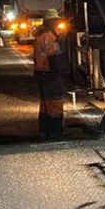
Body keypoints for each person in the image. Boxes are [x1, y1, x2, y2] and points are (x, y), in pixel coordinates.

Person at [33, 9, 65, 139]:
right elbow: (54, 56)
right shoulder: (49, 36)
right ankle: (55, 130)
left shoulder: (39, 35)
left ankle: (43, 129)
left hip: (41, 72)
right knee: (55, 101)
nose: (56, 23)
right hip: (50, 72)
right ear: (50, 21)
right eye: (55, 20)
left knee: (45, 103)